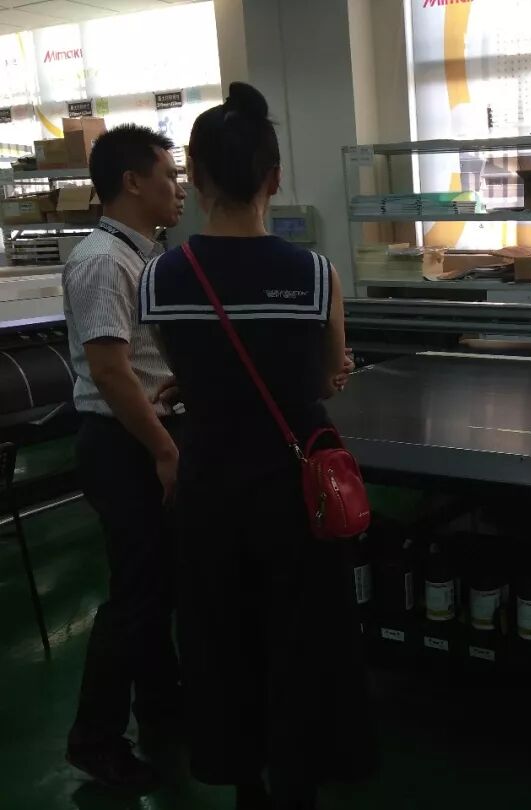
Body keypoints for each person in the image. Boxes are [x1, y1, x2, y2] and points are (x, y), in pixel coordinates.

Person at [138, 82, 369, 810]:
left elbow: (189, 365)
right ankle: (297, 778)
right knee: (302, 636)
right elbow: (324, 378)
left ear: (198, 179)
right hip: (294, 487)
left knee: (221, 635)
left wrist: (196, 385)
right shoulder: (315, 275)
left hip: (209, 482)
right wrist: (326, 371)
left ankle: (244, 781)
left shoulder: (161, 277)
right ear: (274, 178)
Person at [62, 125, 187, 788]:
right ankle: (95, 739)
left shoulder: (144, 256)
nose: (179, 189)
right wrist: (164, 450)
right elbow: (111, 372)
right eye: (169, 176)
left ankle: (161, 707)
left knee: (157, 585)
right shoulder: (103, 261)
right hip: (122, 443)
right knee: (135, 594)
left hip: (142, 434)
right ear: (133, 182)